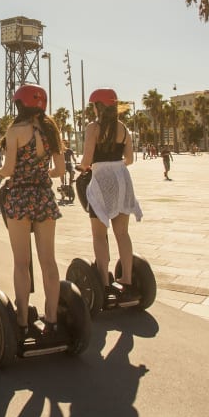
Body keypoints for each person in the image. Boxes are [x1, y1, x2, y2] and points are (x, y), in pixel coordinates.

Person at [0, 84, 65, 341]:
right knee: (49, 263)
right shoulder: (51, 130)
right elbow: (60, 170)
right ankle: (52, 320)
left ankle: (22, 321)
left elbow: (9, 168)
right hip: (43, 196)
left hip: (20, 197)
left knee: (22, 264)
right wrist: (42, 173)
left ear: (20, 104)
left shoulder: (15, 131)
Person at [79, 88, 143, 303]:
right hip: (123, 179)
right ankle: (127, 280)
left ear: (98, 106)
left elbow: (86, 161)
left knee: (99, 235)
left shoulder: (93, 128)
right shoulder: (123, 128)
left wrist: (84, 167)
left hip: (101, 180)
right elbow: (130, 159)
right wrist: (115, 166)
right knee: (122, 233)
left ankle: (103, 284)